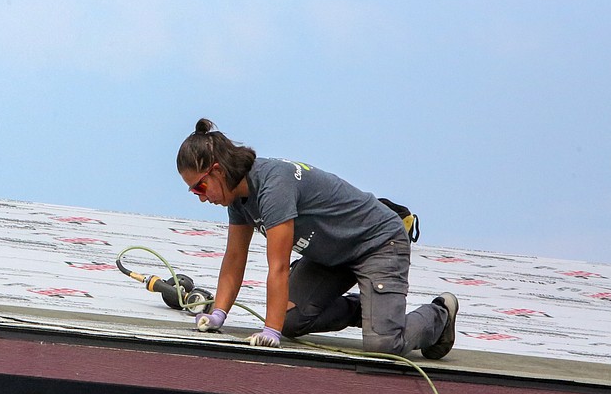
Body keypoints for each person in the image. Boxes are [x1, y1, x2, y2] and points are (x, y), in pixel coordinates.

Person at [176, 118, 458, 358]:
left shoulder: (273, 187)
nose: (202, 198)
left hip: (377, 243)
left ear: (217, 171)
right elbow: (234, 259)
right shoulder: (237, 198)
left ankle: (439, 314)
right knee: (289, 321)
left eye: (200, 188)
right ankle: (374, 310)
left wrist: (270, 332)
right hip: (331, 256)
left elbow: (278, 266)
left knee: (383, 346)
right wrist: (218, 314)